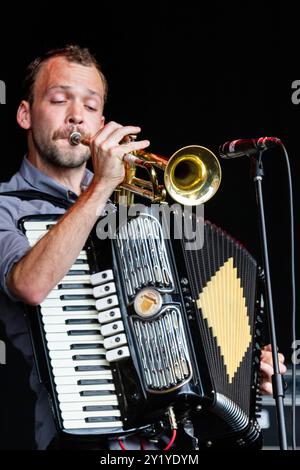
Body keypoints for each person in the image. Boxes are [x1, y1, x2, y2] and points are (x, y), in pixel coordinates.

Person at [0, 45, 286, 450]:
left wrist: (243, 362)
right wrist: (101, 185)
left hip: (168, 444)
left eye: (91, 105)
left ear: (101, 121)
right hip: (84, 435)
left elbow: (176, 311)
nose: (76, 115)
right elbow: (30, 284)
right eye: (59, 99)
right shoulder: (6, 208)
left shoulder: (135, 210)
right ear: (25, 114)